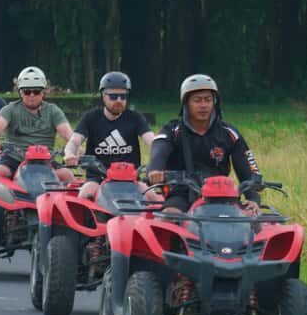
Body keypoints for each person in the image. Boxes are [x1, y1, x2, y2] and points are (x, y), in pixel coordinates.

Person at [148, 74, 261, 216]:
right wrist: (154, 171)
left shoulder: (229, 133)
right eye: (197, 100)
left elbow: (247, 170)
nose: (203, 105)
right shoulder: (172, 131)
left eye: (208, 100)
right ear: (186, 103)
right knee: (170, 215)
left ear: (215, 102)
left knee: (251, 217)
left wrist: (253, 198)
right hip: (182, 193)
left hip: (222, 196)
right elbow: (159, 150)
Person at [64, 71, 154, 199]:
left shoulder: (135, 118)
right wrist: (70, 154)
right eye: (113, 96)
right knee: (85, 195)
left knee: (153, 196)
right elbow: (74, 141)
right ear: (103, 96)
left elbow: (152, 141)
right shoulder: (91, 117)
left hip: (130, 178)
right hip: (98, 178)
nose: (119, 100)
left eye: (123, 96)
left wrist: (159, 159)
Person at [0, 66, 73, 182]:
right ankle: (4, 199)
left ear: (43, 92)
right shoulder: (10, 109)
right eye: (27, 92)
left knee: (66, 175)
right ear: (21, 93)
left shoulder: (53, 110)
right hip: (15, 158)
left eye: (36, 91)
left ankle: (61, 200)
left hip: (46, 159)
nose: (32, 95)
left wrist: (74, 148)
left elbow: (68, 133)